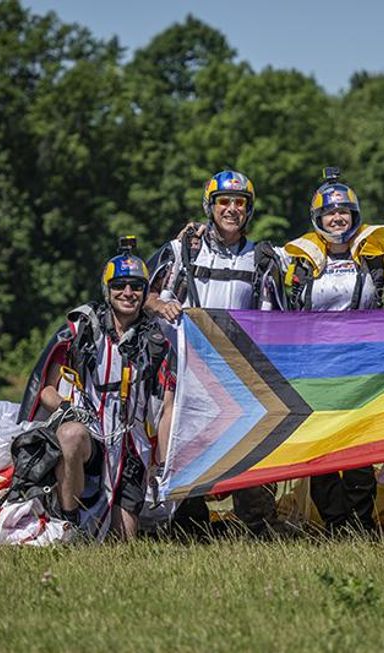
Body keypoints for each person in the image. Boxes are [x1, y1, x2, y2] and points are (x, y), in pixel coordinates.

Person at [145, 170, 286, 538]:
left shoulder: (261, 258)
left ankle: (257, 522)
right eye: (224, 201)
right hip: (186, 367)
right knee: (182, 436)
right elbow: (143, 295)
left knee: (248, 441)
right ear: (210, 206)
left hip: (238, 372)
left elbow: (273, 319)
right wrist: (161, 307)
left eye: (240, 203)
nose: (232, 209)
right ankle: (184, 518)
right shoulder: (181, 251)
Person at [18, 242, 175, 540]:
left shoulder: (157, 343)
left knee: (124, 539)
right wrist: (66, 408)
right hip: (90, 435)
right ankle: (68, 523)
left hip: (130, 448)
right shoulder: (83, 329)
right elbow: (47, 389)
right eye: (120, 285)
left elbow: (167, 408)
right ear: (107, 289)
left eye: (136, 286)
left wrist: (164, 468)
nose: (128, 293)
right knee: (70, 434)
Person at [282, 168, 384, 535]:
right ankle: (335, 523)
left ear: (355, 215)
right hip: (317, 367)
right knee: (323, 448)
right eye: (330, 212)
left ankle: (362, 524)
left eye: (344, 211)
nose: (337, 218)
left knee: (360, 447)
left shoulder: (376, 256)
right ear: (318, 219)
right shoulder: (297, 261)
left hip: (361, 365)